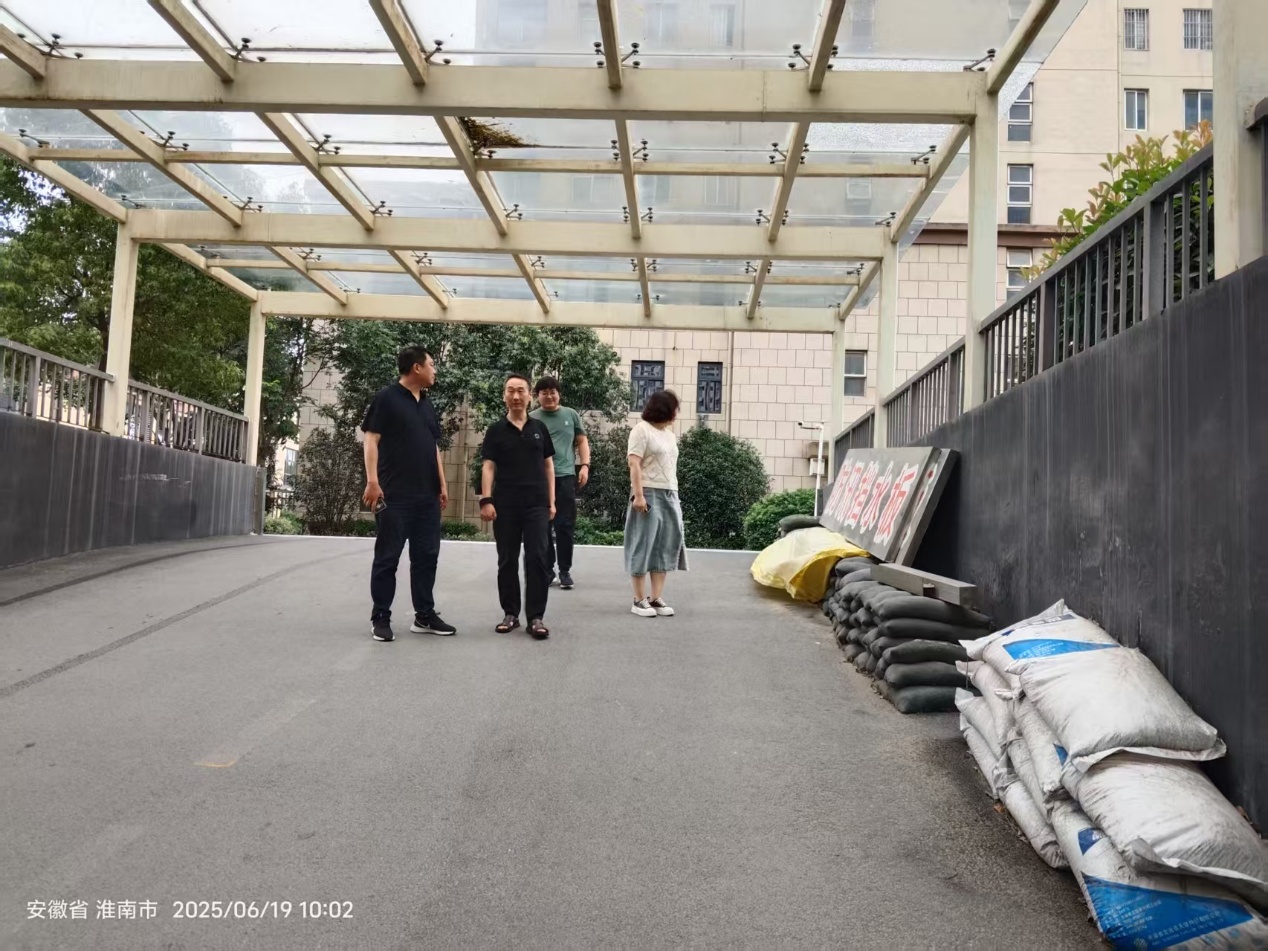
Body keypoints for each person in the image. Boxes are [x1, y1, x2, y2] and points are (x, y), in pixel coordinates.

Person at [361, 346, 456, 642]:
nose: (435, 370)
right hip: (394, 495)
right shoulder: (387, 398)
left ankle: (424, 615)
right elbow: (371, 440)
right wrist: (372, 481)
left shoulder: (427, 404)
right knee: (387, 557)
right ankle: (380, 617)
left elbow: (433, 447)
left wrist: (442, 484)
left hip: (427, 496)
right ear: (417, 367)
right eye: (432, 364)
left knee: (427, 556)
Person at [480, 374, 556, 640]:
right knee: (507, 559)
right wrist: (486, 499)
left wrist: (551, 501)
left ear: (529, 396)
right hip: (506, 504)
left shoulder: (539, 428)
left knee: (538, 558)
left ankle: (536, 617)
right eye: (510, 391)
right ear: (504, 396)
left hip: (536, 504)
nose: (515, 396)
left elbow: (548, 466)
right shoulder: (496, 430)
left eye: (521, 391)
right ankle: (510, 614)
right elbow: (488, 466)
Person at [624, 390, 688, 618]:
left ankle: (655, 598)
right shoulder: (641, 430)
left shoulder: (669, 435)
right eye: (674, 409)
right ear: (665, 410)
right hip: (648, 492)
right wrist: (638, 496)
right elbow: (634, 464)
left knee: (666, 544)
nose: (676, 414)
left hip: (670, 493)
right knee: (643, 543)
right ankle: (638, 600)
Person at [529, 376, 590, 591]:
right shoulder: (531, 418)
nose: (549, 396)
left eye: (552, 391)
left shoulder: (570, 415)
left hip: (565, 477)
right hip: (539, 479)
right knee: (542, 526)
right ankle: (547, 570)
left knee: (565, 525)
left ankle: (565, 571)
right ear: (537, 396)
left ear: (559, 394)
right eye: (544, 392)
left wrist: (585, 465)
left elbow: (581, 441)